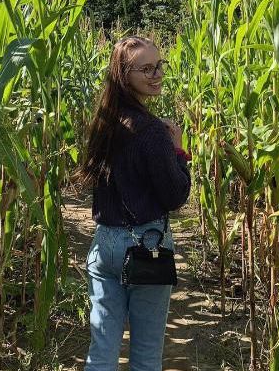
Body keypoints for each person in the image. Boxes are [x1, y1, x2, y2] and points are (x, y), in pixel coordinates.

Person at [76, 35, 192, 371]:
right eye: (146, 69)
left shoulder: (104, 123)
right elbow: (175, 196)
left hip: (105, 246)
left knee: (101, 353)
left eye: (159, 66)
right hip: (147, 246)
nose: (156, 75)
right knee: (145, 356)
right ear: (124, 75)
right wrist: (179, 151)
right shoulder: (153, 132)